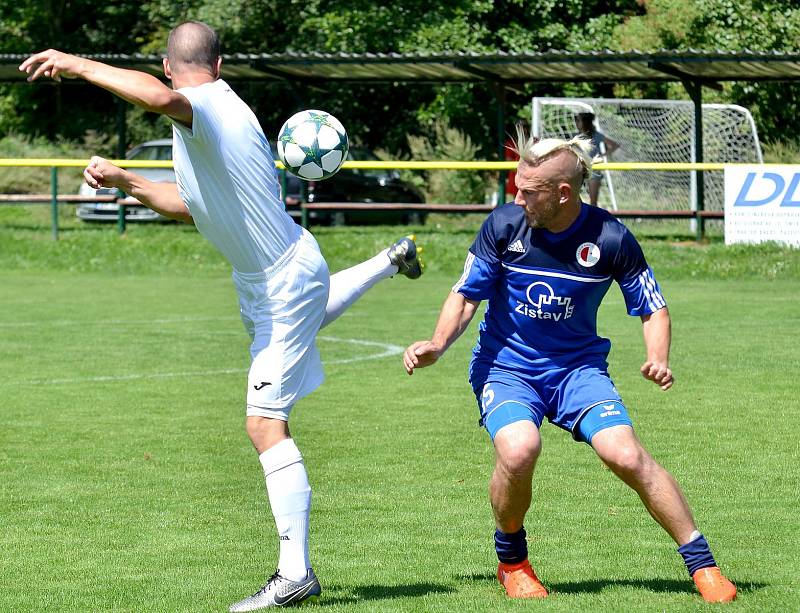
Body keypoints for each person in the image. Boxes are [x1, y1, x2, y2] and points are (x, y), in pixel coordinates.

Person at [20, 21, 422, 612]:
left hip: (283, 277)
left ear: (165, 64)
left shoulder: (202, 105)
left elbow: (162, 99)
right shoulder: (211, 121)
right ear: (222, 60)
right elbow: (191, 207)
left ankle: (295, 574)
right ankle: (391, 261)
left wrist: (76, 63)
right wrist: (127, 179)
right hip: (270, 280)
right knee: (302, 331)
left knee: (264, 423)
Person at [402, 132, 736, 603]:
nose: (516, 198)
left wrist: (657, 357)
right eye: (516, 186)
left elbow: (652, 307)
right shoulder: (503, 227)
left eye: (528, 191)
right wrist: (438, 344)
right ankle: (512, 562)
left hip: (577, 371)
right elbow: (465, 296)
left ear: (563, 192)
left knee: (625, 454)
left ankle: (703, 566)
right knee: (519, 449)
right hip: (507, 368)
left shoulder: (610, 237)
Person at [574, 111, 618, 207]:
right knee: (575, 200)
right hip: (579, 169)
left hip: (594, 169)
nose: (576, 123)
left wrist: (602, 155)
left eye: (578, 121)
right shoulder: (576, 136)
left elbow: (614, 145)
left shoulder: (596, 135)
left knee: (593, 202)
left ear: (585, 122)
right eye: (576, 121)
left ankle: (593, 221)